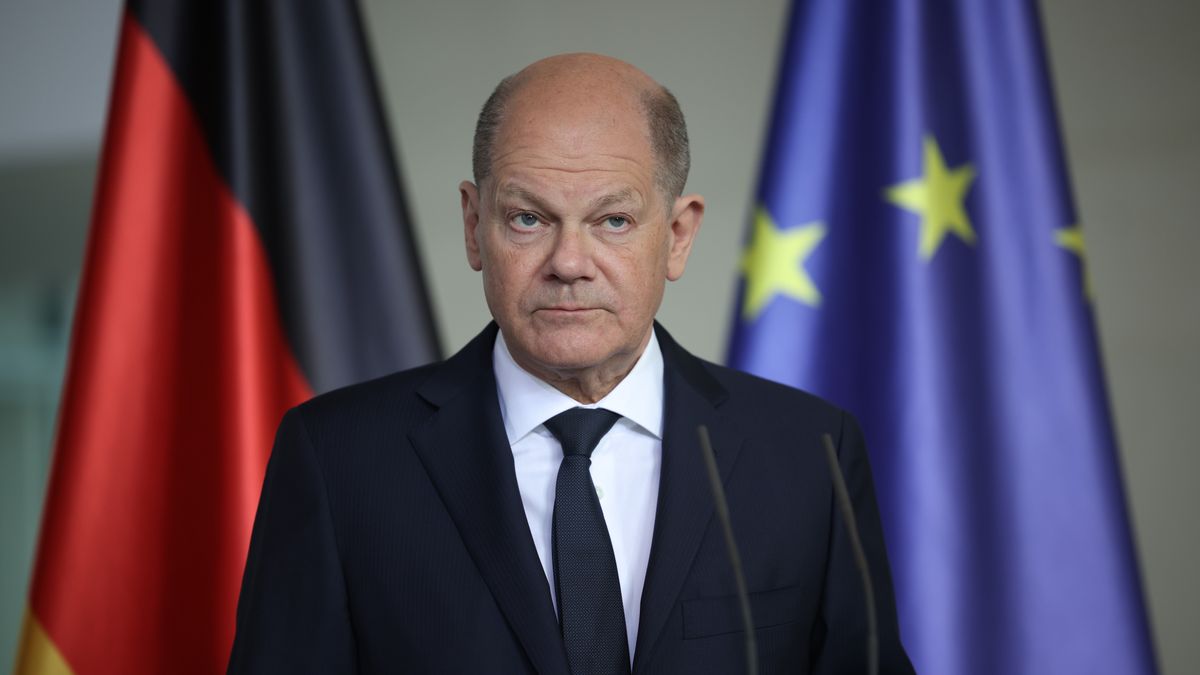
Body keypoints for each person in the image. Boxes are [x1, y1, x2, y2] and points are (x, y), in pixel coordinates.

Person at [227, 53, 914, 674]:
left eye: (613, 221)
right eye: (528, 218)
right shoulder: (338, 459)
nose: (569, 263)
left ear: (678, 235)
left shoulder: (810, 453)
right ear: (474, 226)